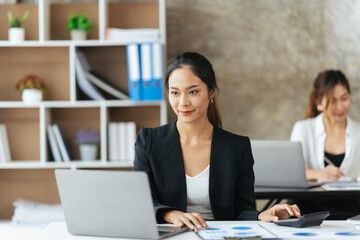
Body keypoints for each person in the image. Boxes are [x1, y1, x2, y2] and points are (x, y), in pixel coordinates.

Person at [133, 52, 301, 230]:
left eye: (193, 92)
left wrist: (262, 215)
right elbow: (141, 202)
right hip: (171, 234)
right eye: (175, 92)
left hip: (221, 234)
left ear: (211, 92)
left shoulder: (236, 147)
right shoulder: (149, 141)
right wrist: (172, 214)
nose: (183, 102)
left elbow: (243, 209)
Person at [290, 70, 360, 219]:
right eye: (332, 101)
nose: (340, 106)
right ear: (319, 102)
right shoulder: (303, 129)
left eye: (344, 98)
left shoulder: (358, 131)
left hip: (352, 206)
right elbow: (293, 173)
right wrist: (320, 174)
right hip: (311, 205)